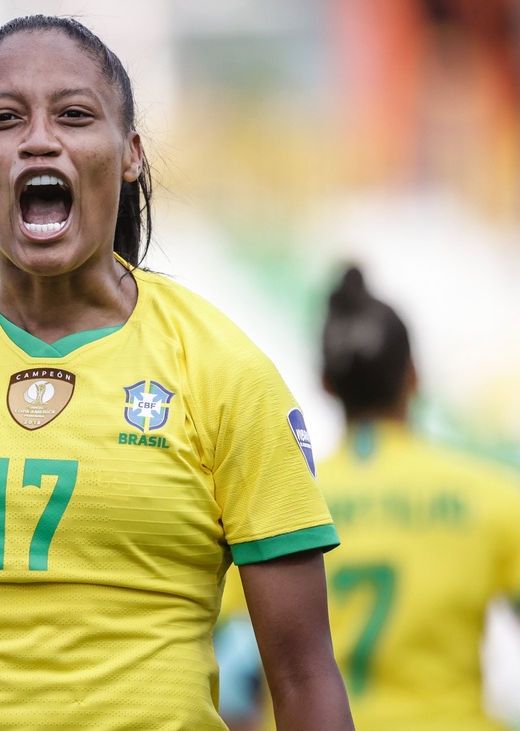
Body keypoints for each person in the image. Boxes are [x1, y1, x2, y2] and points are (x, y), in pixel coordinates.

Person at [0, 14, 353, 731]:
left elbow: (301, 678)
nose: (39, 139)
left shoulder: (226, 372)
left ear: (131, 153)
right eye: (5, 118)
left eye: (74, 115)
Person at [218, 265, 520, 730]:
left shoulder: (276, 498)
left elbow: (232, 670)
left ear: (326, 384)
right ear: (414, 376)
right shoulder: (493, 496)